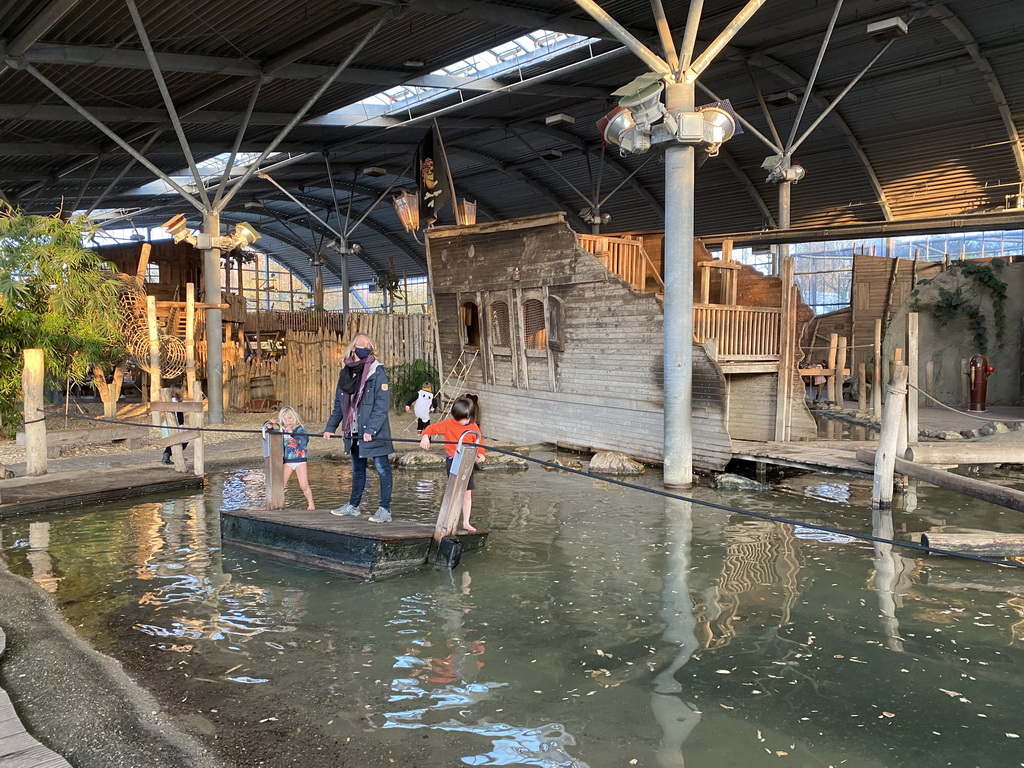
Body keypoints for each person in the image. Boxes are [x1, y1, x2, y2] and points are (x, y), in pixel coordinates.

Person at [323, 333, 395, 523]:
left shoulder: (377, 372)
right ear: (353, 347)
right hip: (353, 429)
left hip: (374, 432)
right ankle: (353, 506)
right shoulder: (345, 372)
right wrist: (331, 427)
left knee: (382, 468)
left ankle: (384, 510)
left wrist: (371, 430)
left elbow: (382, 405)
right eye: (362, 343)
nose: (366, 347)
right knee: (358, 470)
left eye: (369, 344)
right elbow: (339, 405)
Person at [419, 395, 485, 532]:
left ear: (470, 416)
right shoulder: (448, 424)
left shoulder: (473, 427)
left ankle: (466, 522)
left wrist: (481, 453)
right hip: (453, 461)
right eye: (459, 419)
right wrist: (425, 436)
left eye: (465, 419)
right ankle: (449, 519)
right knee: (454, 491)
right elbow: (431, 428)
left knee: (467, 493)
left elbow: (479, 442)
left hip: (467, 463)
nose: (462, 422)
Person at [264, 406, 315, 510]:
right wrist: (269, 426)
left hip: (300, 460)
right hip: (288, 460)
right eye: (285, 419)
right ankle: (271, 504)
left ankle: (311, 504)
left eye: (290, 418)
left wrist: (292, 434)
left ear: (294, 417)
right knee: (280, 484)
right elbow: (273, 435)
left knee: (304, 485)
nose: (288, 421)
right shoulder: (283, 429)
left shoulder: (300, 429)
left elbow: (304, 440)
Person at [161, 385, 187, 465]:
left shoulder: (172, 400)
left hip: (169, 423)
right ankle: (169, 456)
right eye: (182, 391)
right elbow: (178, 414)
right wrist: (181, 425)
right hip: (173, 423)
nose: (183, 392)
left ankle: (169, 456)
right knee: (184, 439)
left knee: (174, 441)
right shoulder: (175, 401)